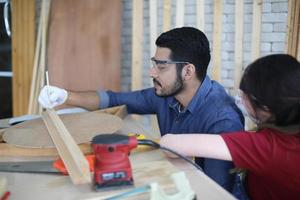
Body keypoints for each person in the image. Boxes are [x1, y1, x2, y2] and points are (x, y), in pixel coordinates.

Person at [38, 27, 244, 192]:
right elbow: (113, 99)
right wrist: (65, 96)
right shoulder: (166, 94)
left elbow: (216, 191)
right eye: (154, 64)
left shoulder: (222, 119)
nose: (151, 72)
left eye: (161, 67)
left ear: (188, 71)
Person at [160, 54, 300, 200]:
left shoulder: (265, 147)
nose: (239, 99)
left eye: (244, 96)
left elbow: (169, 145)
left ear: (265, 109)